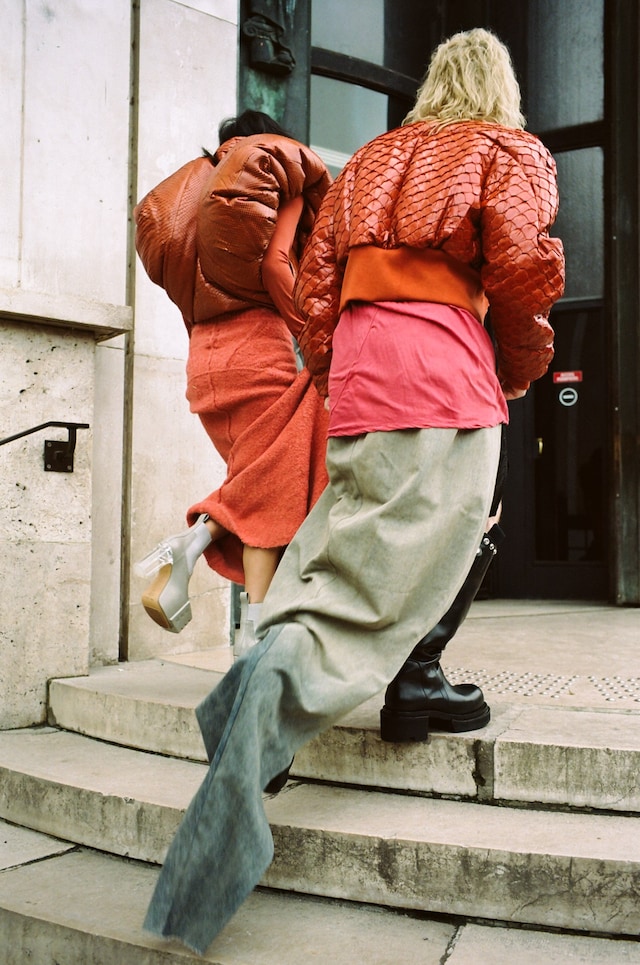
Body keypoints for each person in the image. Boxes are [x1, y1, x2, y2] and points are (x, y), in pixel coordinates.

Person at [144, 29, 565, 953]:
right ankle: (324, 695)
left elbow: (322, 287)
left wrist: (339, 373)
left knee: (345, 566)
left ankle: (301, 673)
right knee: (398, 578)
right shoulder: (507, 149)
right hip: (447, 372)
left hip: (367, 378)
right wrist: (522, 367)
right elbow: (527, 274)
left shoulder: (374, 156)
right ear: (499, 84)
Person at [133, 110, 332, 653]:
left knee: (261, 480)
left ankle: (191, 546)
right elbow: (275, 267)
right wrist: (314, 336)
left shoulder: (196, 198)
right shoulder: (280, 187)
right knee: (276, 491)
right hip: (257, 354)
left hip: (204, 364)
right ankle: (256, 637)